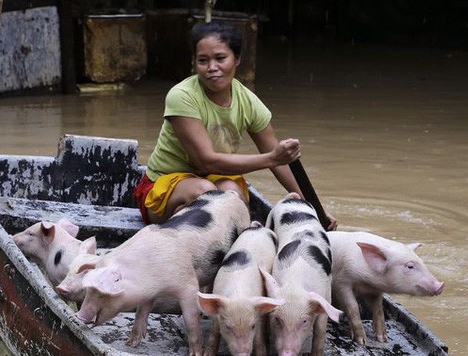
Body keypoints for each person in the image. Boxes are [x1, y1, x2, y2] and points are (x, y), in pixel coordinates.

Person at [134, 20, 337, 230]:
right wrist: (270, 158)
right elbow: (206, 162)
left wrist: (314, 208)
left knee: (233, 194)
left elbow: (280, 162)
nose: (212, 68)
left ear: (237, 59)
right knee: (205, 193)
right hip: (161, 189)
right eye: (203, 60)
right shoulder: (182, 96)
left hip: (211, 180)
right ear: (194, 62)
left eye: (220, 58)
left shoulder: (247, 101)